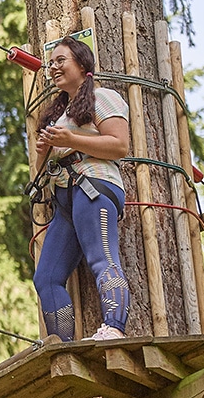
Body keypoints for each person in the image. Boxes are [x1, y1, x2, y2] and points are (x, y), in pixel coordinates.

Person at [32, 34, 132, 342]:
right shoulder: (60, 113)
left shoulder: (104, 98)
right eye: (51, 63)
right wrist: (44, 150)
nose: (54, 68)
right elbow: (41, 170)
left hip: (94, 186)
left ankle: (114, 327)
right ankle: (62, 345)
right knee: (46, 277)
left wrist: (69, 141)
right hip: (66, 198)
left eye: (61, 60)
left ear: (82, 63)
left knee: (102, 258)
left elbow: (119, 145)